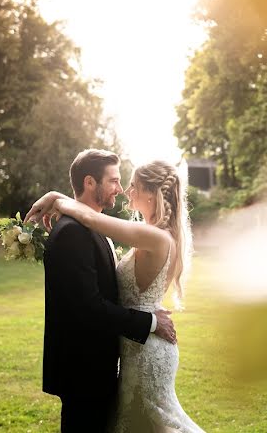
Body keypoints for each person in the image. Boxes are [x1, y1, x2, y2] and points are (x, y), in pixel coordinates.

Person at [26, 153, 204, 433]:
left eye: (131, 184)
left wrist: (55, 197)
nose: (124, 190)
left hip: (146, 349)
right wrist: (150, 318)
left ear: (151, 192)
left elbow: (89, 217)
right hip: (131, 347)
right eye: (118, 181)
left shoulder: (154, 236)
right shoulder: (150, 233)